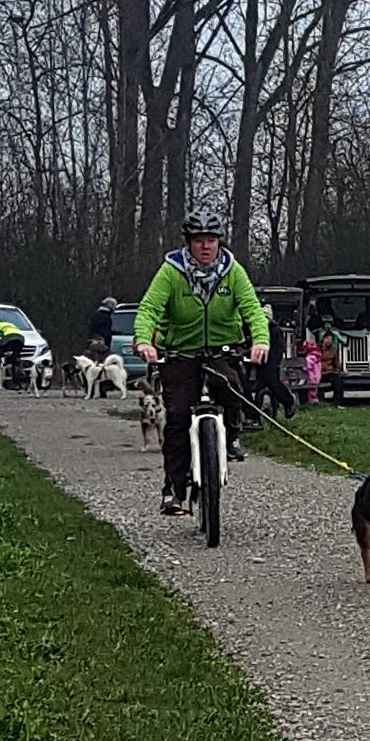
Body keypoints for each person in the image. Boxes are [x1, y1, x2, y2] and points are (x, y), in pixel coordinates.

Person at [133, 206, 269, 516]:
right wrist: (144, 341)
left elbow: (252, 308)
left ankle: (231, 437)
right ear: (188, 243)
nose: (205, 247)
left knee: (231, 388)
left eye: (211, 240)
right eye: (198, 240)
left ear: (219, 241)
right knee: (178, 418)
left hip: (223, 349)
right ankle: (173, 490)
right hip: (180, 353)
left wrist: (260, 340)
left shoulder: (233, 271)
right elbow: (149, 309)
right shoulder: (171, 271)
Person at [253, 304, 297, 419]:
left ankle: (289, 401)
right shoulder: (256, 329)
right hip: (259, 361)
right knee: (259, 386)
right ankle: (257, 415)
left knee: (273, 382)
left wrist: (273, 361)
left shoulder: (275, 330)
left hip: (272, 361)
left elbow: (279, 349)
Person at [0, 318, 26, 389]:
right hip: (21, 338)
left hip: (10, 337)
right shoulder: (10, 324)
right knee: (14, 359)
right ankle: (17, 383)